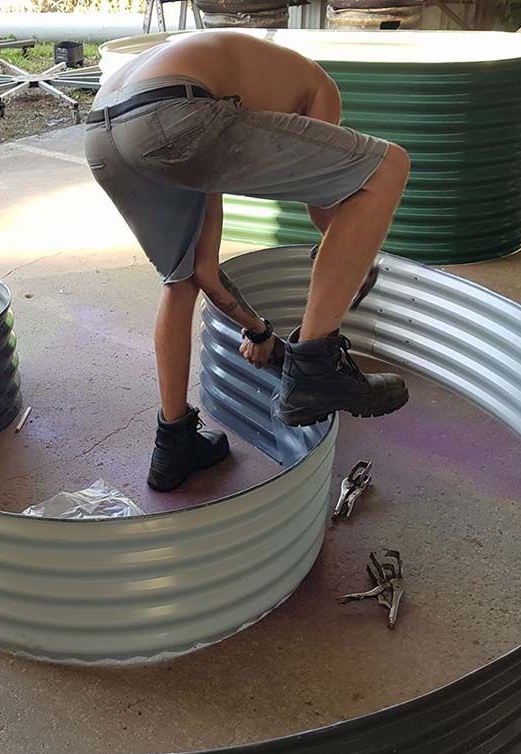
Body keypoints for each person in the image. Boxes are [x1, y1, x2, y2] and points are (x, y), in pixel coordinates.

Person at [85, 31, 411, 492]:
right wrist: (360, 259)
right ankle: (315, 370)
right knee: (387, 166)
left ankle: (173, 443)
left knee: (179, 281)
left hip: (103, 132)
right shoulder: (319, 85)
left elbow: (205, 270)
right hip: (175, 112)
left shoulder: (226, 92)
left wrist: (258, 330)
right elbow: (326, 200)